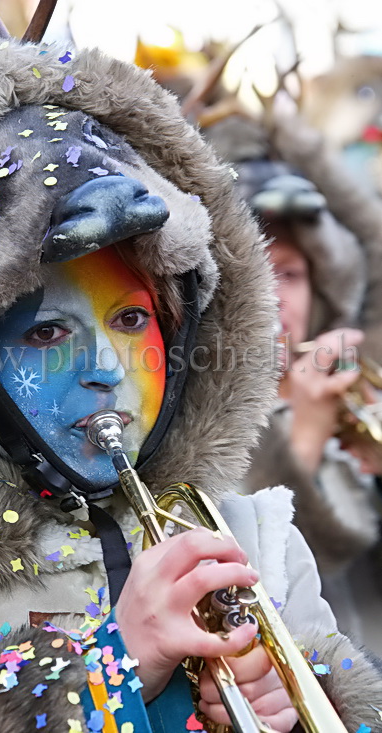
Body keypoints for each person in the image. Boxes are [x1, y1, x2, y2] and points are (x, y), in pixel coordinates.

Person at [0, 11, 380, 733]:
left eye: (129, 320)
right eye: (47, 332)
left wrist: (300, 707)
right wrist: (105, 675)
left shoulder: (261, 541)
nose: (101, 369)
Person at [204, 116, 382, 641]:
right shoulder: (204, 423)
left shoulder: (351, 391)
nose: (277, 299)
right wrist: (306, 434)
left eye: (292, 274)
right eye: (257, 273)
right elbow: (260, 587)